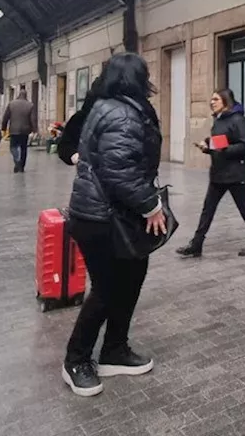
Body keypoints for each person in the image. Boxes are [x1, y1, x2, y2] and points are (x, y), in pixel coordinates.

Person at [61, 53, 168, 397]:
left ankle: (114, 350)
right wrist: (151, 205)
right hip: (101, 218)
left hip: (117, 215)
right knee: (108, 290)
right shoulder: (120, 112)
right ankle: (75, 360)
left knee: (132, 277)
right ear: (135, 78)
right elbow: (118, 170)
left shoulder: (115, 106)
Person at [175, 89, 245, 258]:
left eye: (216, 99)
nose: (212, 102)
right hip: (218, 174)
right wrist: (207, 146)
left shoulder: (238, 120)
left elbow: (244, 145)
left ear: (225, 101)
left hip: (236, 174)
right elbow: (218, 143)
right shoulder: (218, 120)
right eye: (211, 99)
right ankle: (196, 244)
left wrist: (221, 148)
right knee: (207, 210)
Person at [2, 89, 38, 173]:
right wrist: (35, 130)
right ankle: (21, 167)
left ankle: (17, 160)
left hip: (14, 130)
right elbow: (33, 119)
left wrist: (3, 128)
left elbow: (6, 117)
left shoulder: (11, 104)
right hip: (25, 131)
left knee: (13, 147)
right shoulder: (30, 105)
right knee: (23, 148)